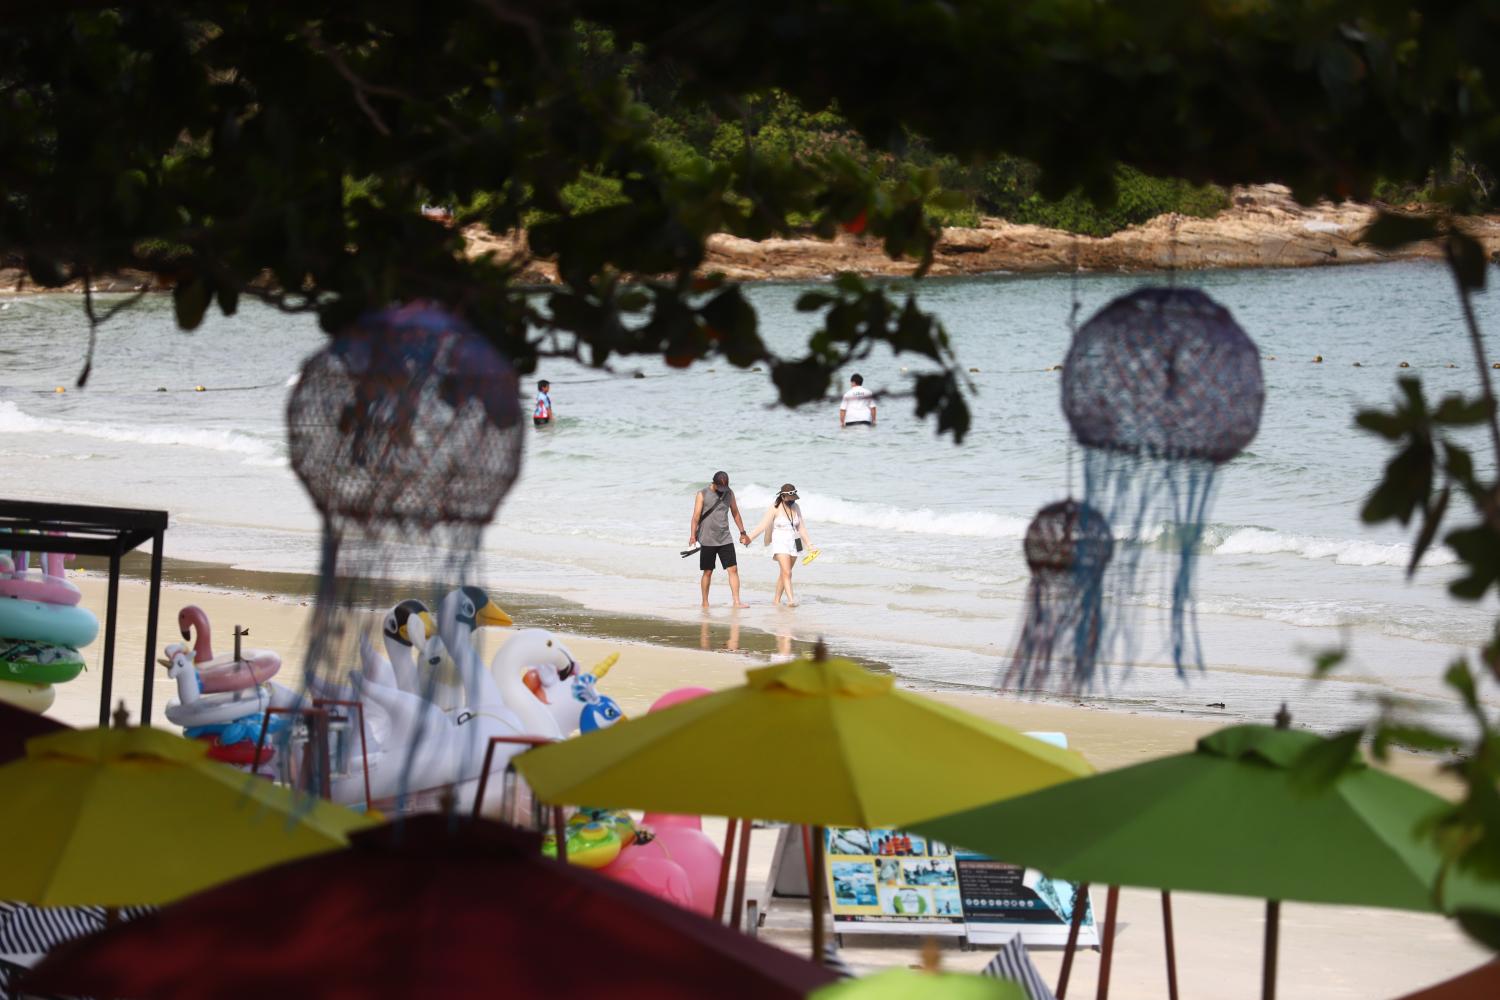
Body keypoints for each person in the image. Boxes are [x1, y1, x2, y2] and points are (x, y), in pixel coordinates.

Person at [689, 471, 750, 609]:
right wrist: (693, 536)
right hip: (707, 539)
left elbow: (735, 513)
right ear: (714, 483)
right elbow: (695, 517)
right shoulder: (702, 494)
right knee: (708, 571)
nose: (723, 491)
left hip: (725, 538)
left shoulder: (729, 493)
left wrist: (742, 532)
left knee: (733, 569)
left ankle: (736, 601)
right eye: (720, 488)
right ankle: (705, 602)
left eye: (725, 488)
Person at [747, 484, 814, 607]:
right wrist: (749, 538)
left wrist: (809, 544)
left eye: (794, 498)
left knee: (784, 573)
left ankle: (776, 600)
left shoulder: (796, 507)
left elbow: (801, 527)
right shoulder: (775, 508)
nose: (793, 501)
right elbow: (762, 525)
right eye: (790, 498)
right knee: (787, 573)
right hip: (780, 542)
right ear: (782, 497)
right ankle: (791, 600)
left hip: (794, 542)